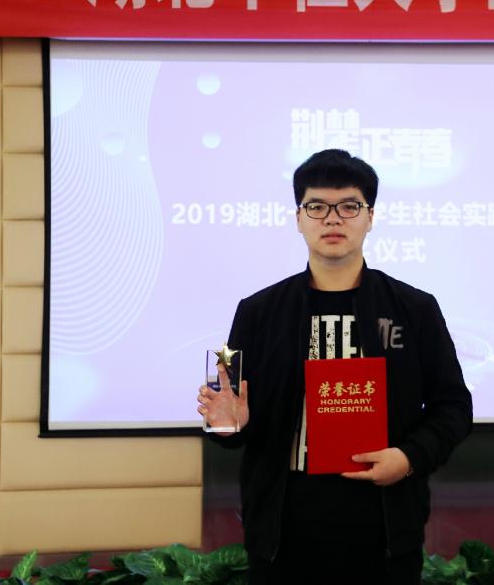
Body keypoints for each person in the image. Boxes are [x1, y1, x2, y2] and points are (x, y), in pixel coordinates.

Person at [196, 149, 472, 584]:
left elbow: (453, 406)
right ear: (298, 218)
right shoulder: (258, 311)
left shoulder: (414, 308)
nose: (332, 219)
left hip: (385, 527)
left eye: (349, 206)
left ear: (370, 217)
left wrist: (408, 457)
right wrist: (229, 426)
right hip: (283, 532)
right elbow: (231, 418)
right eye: (317, 207)